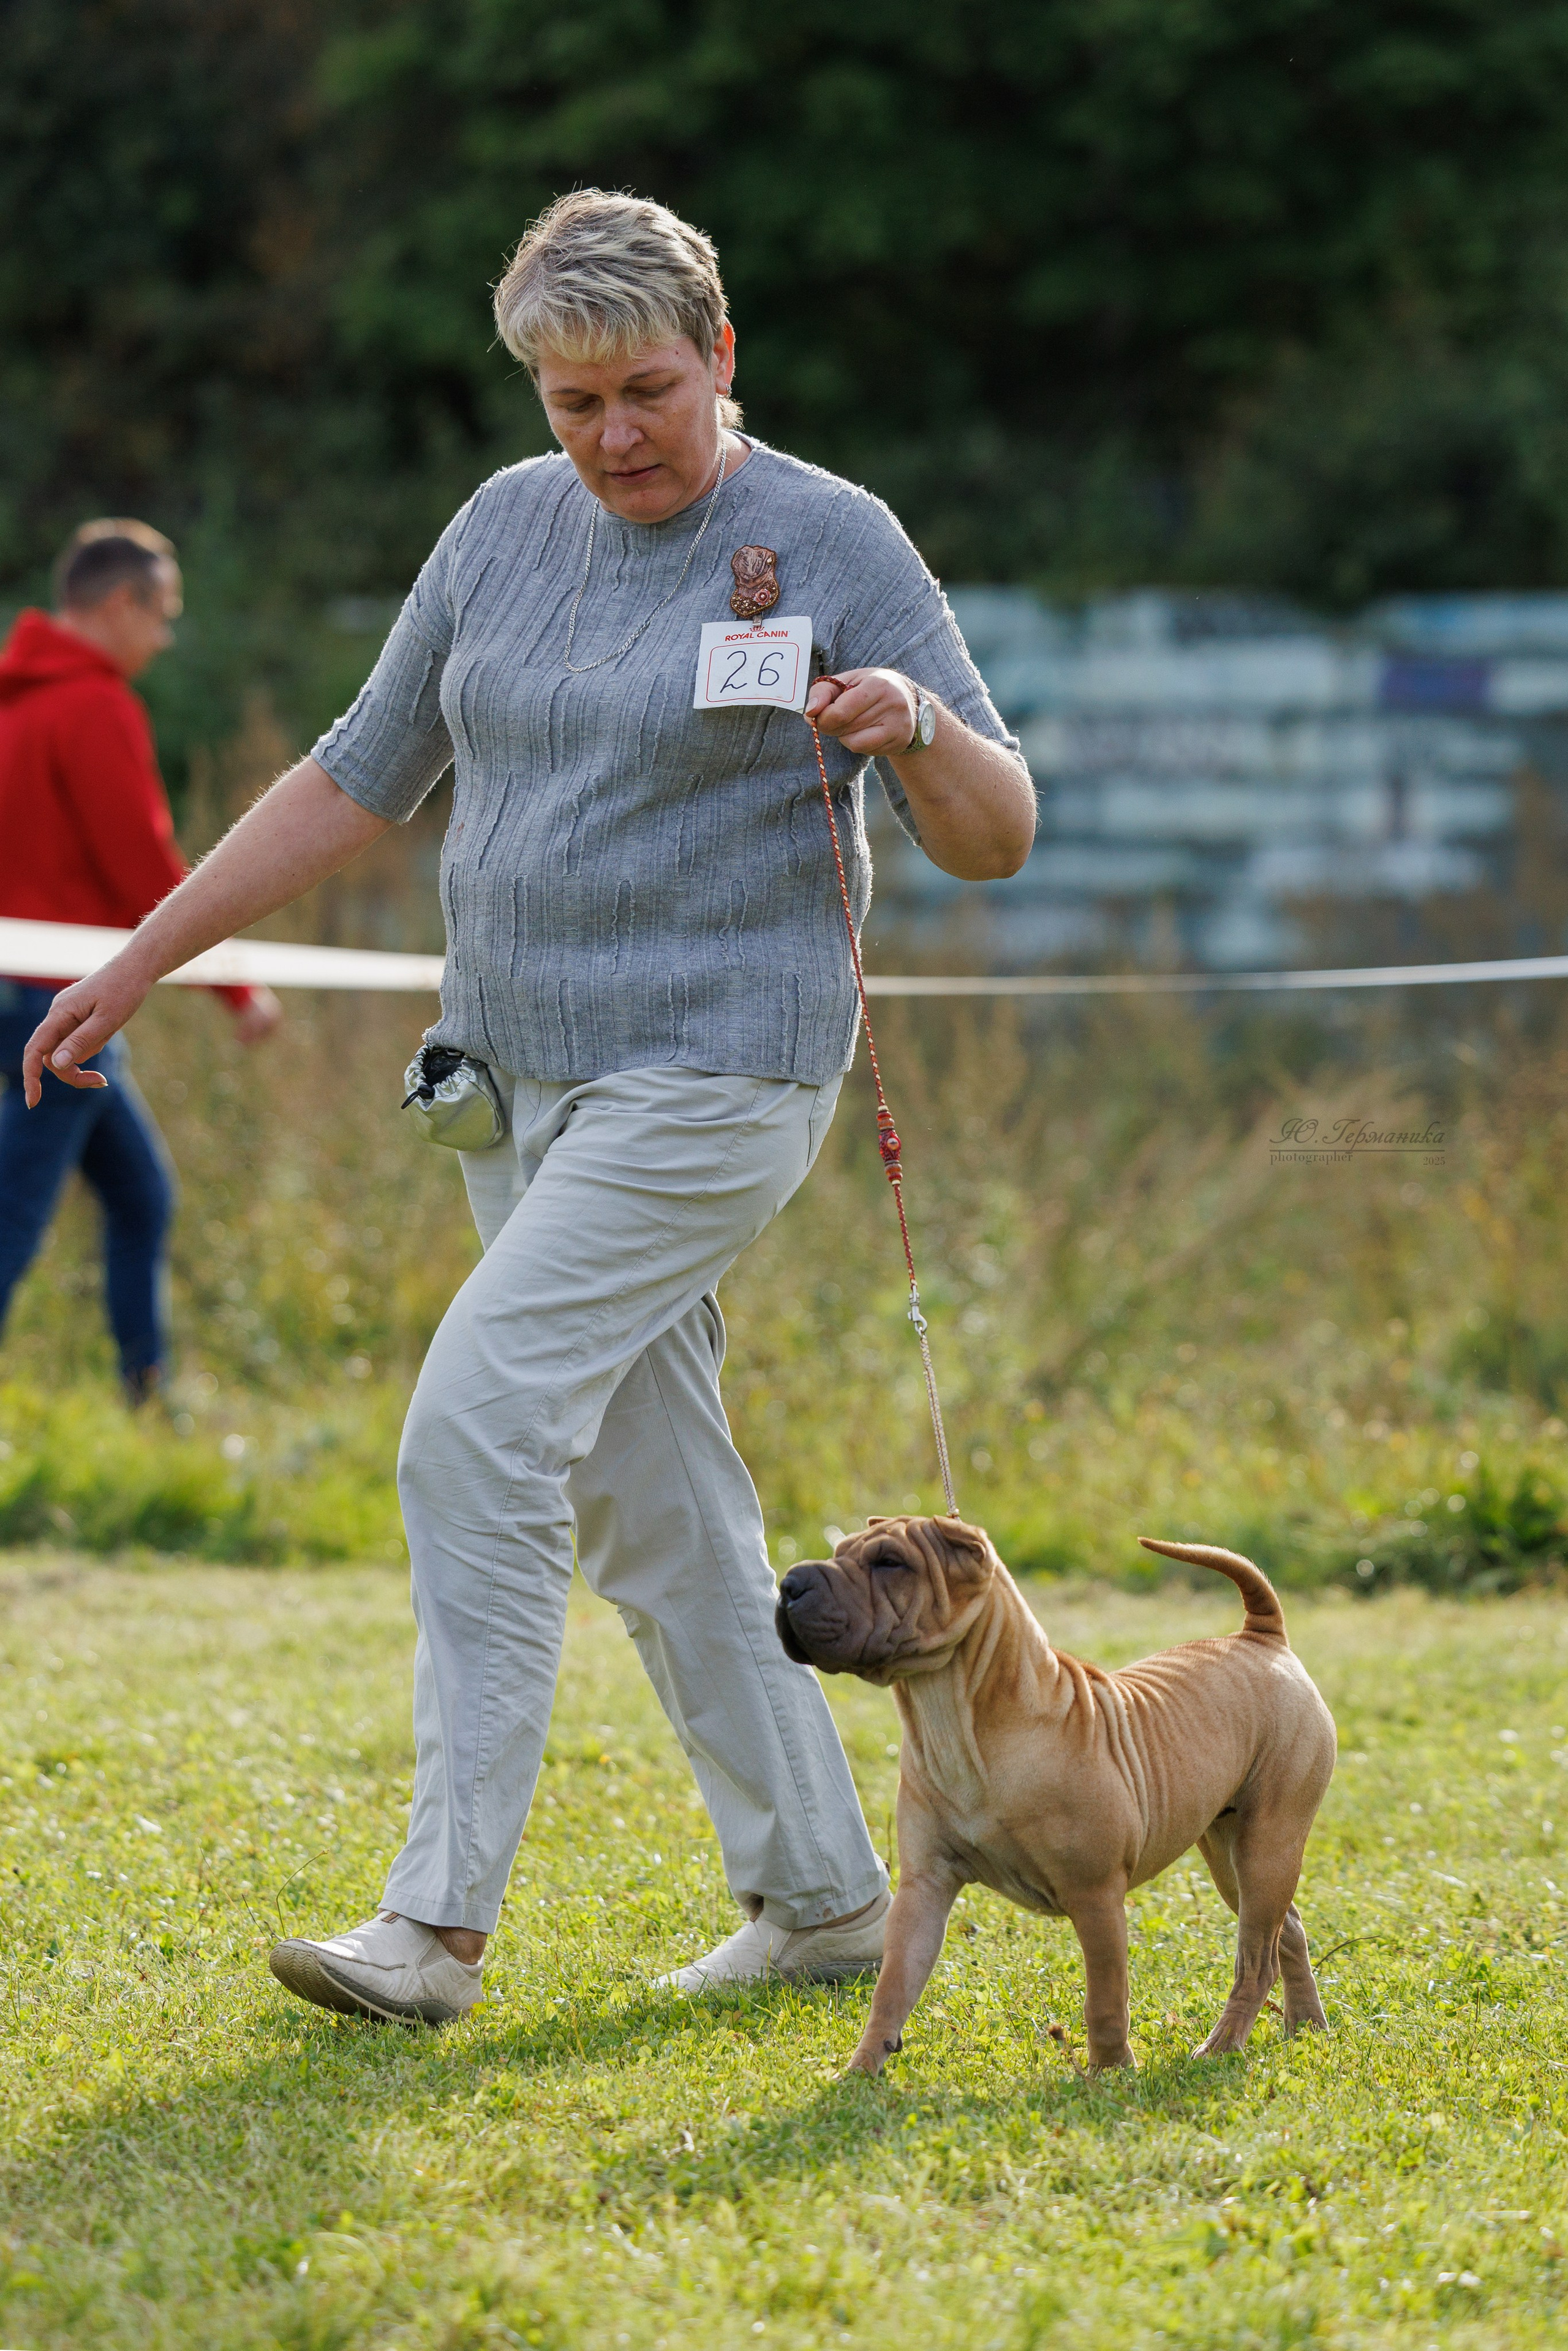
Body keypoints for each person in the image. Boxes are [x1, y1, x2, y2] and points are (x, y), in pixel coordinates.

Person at [24, 192, 1037, 2025]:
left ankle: (434, 1926)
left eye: (647, 391)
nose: (612, 435)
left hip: (721, 1074)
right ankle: (825, 1896)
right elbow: (356, 775)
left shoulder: (833, 535)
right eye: (572, 403)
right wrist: (144, 953)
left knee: (475, 1426)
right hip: (508, 1086)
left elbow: (998, 832)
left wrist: (914, 726)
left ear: (721, 356)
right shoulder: (498, 526)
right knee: (659, 1504)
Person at [0, 520, 280, 1402]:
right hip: (60, 1010)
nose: (164, 638)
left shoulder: (13, 702)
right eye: (163, 614)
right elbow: (144, 869)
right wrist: (237, 988)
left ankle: (146, 1400)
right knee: (14, 1218)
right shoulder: (94, 706)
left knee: (140, 1195)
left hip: (17, 995)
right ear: (121, 603)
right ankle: (146, 1399)